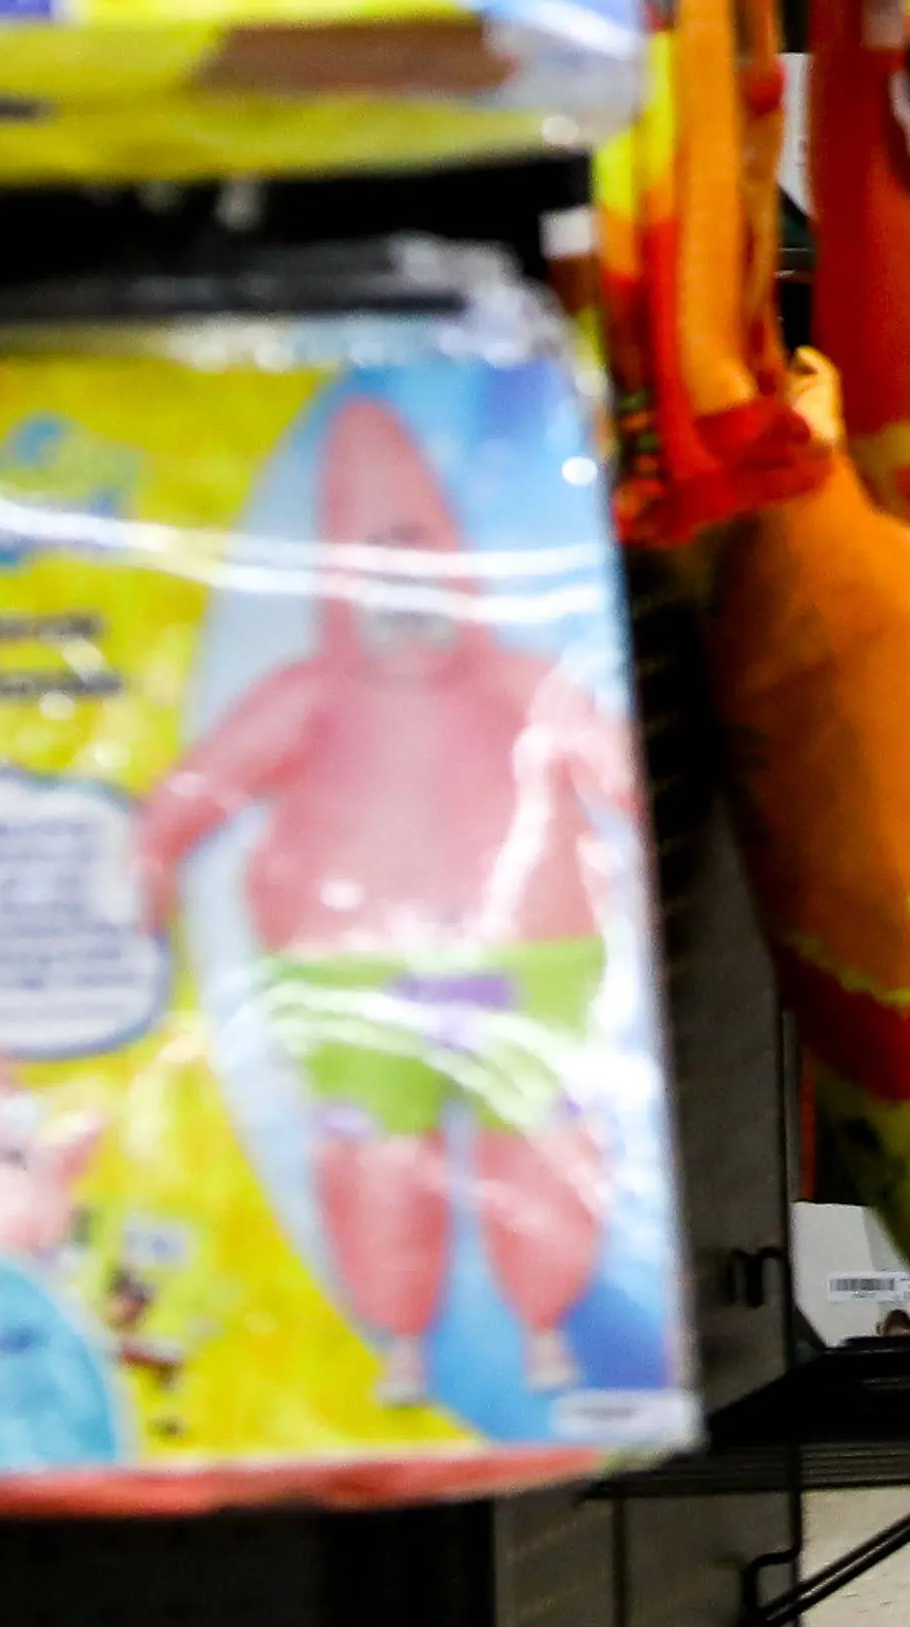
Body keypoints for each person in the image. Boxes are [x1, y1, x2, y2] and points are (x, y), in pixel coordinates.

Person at [132, 392, 647, 1416]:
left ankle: (539, 1320)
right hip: (356, 974)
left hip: (525, 960)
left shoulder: (513, 678)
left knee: (537, 1139)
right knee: (378, 1161)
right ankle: (405, 1342)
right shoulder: (312, 692)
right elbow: (208, 778)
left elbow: (611, 761)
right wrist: (150, 851)